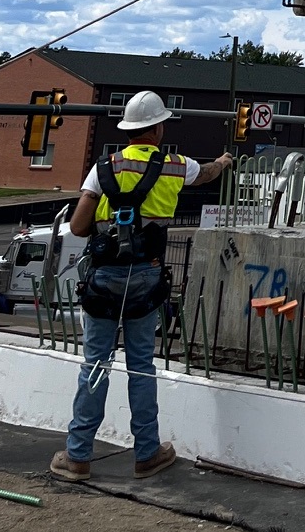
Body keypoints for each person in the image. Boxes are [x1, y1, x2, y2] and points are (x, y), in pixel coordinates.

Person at [50, 91, 231, 481]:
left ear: (130, 130)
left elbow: (79, 227)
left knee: (95, 365)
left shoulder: (103, 168)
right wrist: (222, 161)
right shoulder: (176, 166)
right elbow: (209, 172)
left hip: (104, 277)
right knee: (141, 367)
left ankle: (78, 455)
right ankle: (147, 453)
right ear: (158, 128)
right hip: (147, 276)